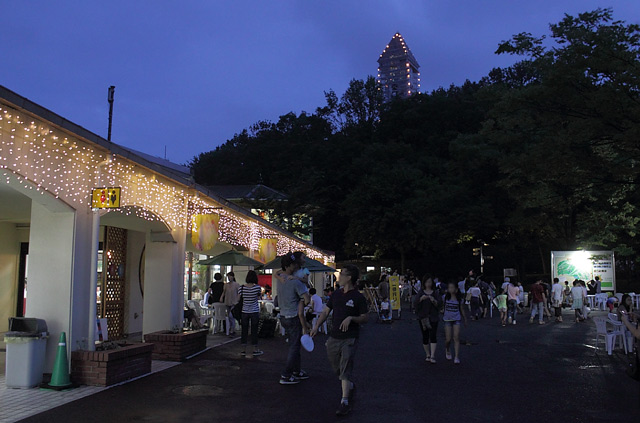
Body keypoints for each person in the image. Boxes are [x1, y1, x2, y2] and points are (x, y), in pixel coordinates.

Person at [311, 264, 368, 417]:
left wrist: (351, 318)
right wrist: (316, 326)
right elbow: (326, 311)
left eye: (342, 274)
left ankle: (344, 401)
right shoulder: (336, 294)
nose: (339, 276)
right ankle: (349, 385)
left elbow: (365, 317)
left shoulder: (358, 297)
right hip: (334, 337)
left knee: (345, 368)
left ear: (349, 278)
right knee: (337, 368)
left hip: (350, 338)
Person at [275, 252, 310, 385]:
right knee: (294, 347)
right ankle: (286, 374)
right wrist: (303, 301)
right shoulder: (295, 281)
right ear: (290, 265)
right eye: (295, 264)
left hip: (283, 316)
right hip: (294, 316)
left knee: (294, 345)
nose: (297, 266)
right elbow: (306, 299)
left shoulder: (280, 279)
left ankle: (296, 371)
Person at [414, 278, 441, 363]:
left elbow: (440, 304)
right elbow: (415, 304)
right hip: (423, 317)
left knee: (433, 335)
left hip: (433, 317)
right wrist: (421, 299)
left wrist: (434, 301)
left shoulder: (435, 292)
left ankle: (432, 355)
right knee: (425, 336)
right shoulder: (421, 292)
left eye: (430, 282)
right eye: (426, 282)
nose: (428, 284)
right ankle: (427, 354)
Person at [238, 271, 263, 357]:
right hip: (254, 311)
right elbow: (259, 297)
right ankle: (255, 349)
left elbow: (238, 299)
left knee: (244, 330)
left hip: (244, 311)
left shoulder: (241, 288)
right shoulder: (257, 288)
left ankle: (243, 349)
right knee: (254, 331)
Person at [443, 281, 467, 364]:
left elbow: (462, 309)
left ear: (456, 289)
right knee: (448, 339)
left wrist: (465, 319)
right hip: (447, 319)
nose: (451, 289)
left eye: (452, 287)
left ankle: (456, 356)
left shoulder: (459, 299)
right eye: (449, 288)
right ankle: (447, 349)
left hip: (456, 319)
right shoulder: (445, 298)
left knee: (456, 337)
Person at [221, 272, 240, 336]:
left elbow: (239, 293)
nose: (229, 278)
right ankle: (231, 328)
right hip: (227, 301)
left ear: (233, 277)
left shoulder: (236, 284)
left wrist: (237, 300)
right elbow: (224, 292)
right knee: (229, 316)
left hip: (234, 302)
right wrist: (221, 297)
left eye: (230, 276)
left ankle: (232, 329)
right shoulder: (226, 285)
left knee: (231, 316)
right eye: (228, 276)